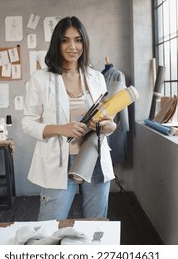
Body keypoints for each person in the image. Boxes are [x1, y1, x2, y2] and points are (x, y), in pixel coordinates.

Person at [22, 16, 117, 221]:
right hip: (58, 164)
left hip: (95, 160)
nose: (72, 46)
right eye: (65, 40)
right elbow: (27, 123)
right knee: (49, 230)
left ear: (84, 43)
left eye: (78, 40)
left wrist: (110, 126)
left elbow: (107, 119)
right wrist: (60, 129)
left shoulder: (97, 78)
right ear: (57, 43)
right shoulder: (40, 78)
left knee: (96, 229)